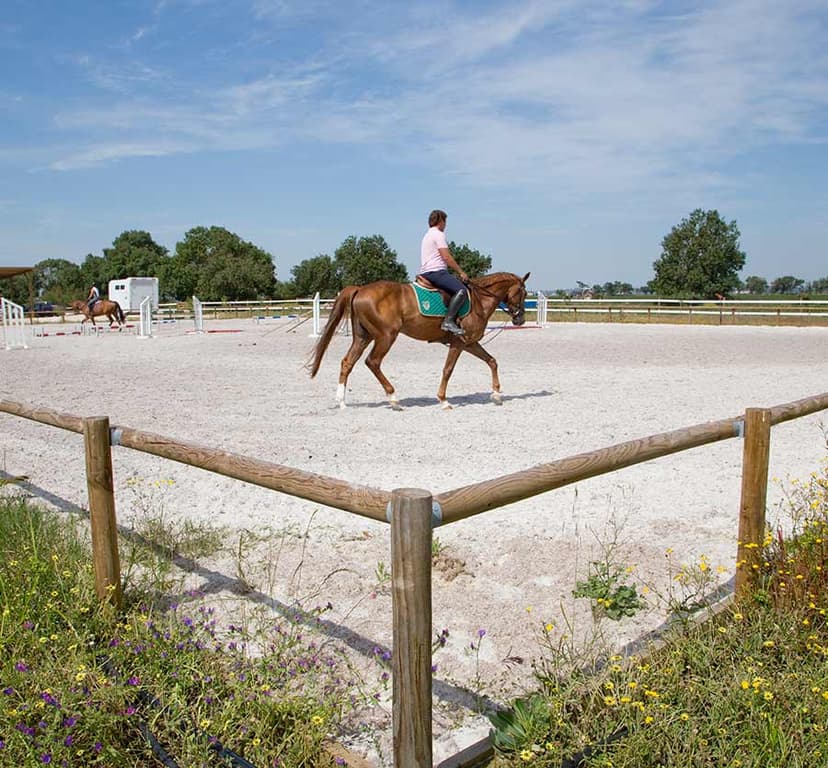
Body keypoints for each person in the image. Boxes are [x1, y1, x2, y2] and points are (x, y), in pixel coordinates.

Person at [419, 209, 469, 336]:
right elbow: (446, 257)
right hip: (436, 272)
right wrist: (460, 272)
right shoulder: (438, 234)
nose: (445, 225)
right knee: (462, 290)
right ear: (440, 221)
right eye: (445, 222)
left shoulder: (427, 235)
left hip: (426, 272)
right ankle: (448, 321)